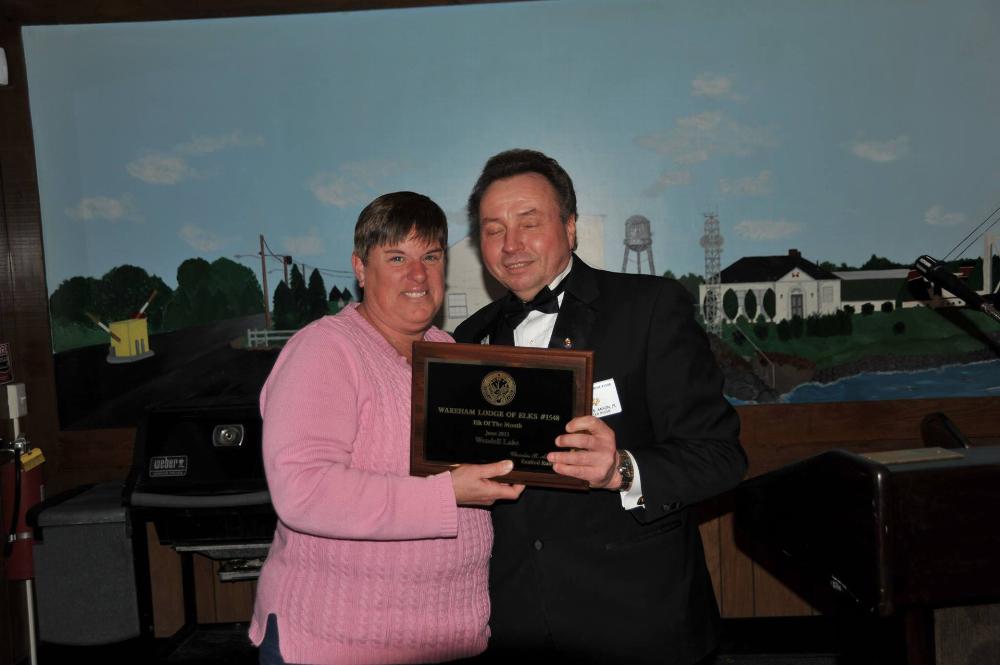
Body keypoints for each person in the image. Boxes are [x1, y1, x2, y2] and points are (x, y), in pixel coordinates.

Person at [454, 149, 748, 664]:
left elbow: (720, 456)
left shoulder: (649, 308)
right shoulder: (468, 338)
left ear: (570, 228)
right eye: (494, 229)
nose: (512, 244)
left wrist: (622, 469)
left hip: (636, 623)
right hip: (514, 623)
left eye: (530, 222)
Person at [250, 191, 524, 665]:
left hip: (452, 637)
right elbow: (303, 492)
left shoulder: (450, 354)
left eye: (431, 257)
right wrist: (446, 495)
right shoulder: (325, 351)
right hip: (335, 645)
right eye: (397, 257)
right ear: (360, 268)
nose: (418, 275)